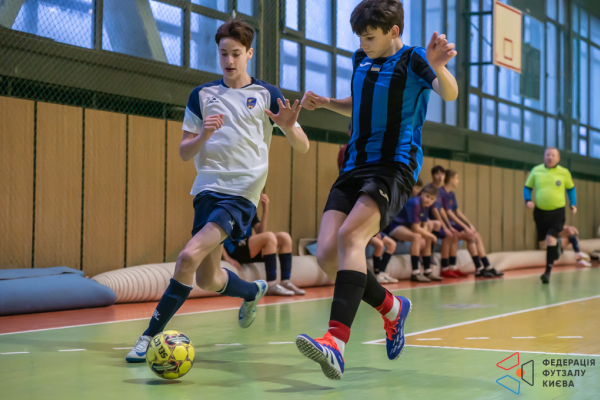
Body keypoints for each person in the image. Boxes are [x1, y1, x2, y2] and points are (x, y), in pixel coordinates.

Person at [126, 19, 309, 362]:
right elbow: (184, 152)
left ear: (249, 54)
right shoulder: (202, 95)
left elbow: (304, 146)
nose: (229, 60)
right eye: (223, 53)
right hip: (206, 191)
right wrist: (203, 136)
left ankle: (149, 336)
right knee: (208, 278)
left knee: (187, 257)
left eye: (236, 53)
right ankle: (251, 290)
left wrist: (288, 128)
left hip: (241, 193)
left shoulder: (268, 94)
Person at [295, 0, 458, 380]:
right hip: (354, 165)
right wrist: (327, 103)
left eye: (370, 37)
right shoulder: (361, 59)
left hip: (393, 167)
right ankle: (392, 308)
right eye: (360, 37)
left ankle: (336, 342)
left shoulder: (415, 59)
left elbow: (449, 93)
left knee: (351, 237)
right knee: (327, 256)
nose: (363, 44)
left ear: (393, 32)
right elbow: (361, 104)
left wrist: (439, 67)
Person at [222, 193, 305, 295]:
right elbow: (217, 234)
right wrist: (227, 258)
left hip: (247, 248)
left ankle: (285, 281)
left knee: (284, 237)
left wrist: (265, 209)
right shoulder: (229, 206)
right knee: (269, 237)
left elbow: (260, 232)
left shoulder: (249, 207)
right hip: (235, 249)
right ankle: (271, 285)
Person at [524, 148, 578, 284]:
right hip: (540, 212)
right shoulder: (536, 170)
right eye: (547, 155)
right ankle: (558, 247)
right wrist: (528, 200)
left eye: (553, 155)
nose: (550, 157)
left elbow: (571, 189)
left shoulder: (564, 172)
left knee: (550, 238)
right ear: (544, 157)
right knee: (543, 244)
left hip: (557, 212)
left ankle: (547, 272)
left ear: (558, 158)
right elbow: (527, 187)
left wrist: (573, 203)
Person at [441, 170, 503, 278]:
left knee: (476, 234)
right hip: (446, 225)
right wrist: (465, 227)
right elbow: (449, 213)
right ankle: (479, 268)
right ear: (451, 179)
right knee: (471, 236)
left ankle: (486, 266)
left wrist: (469, 225)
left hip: (453, 225)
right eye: (456, 178)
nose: (458, 181)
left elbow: (457, 212)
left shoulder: (451, 193)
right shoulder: (442, 192)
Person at [384, 184, 441, 282]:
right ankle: (415, 272)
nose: (429, 200)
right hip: (393, 226)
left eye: (432, 199)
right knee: (417, 236)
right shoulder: (415, 203)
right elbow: (415, 228)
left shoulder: (425, 206)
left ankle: (427, 270)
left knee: (426, 237)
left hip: (405, 228)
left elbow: (424, 224)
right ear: (422, 194)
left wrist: (428, 236)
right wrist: (432, 236)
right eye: (427, 196)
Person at [428, 165, 463, 277]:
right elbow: (434, 211)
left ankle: (452, 266)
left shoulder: (439, 191)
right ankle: (444, 268)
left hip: (438, 223)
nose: (440, 177)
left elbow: (441, 210)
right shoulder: (430, 189)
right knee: (448, 235)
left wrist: (449, 227)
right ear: (432, 175)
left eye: (442, 174)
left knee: (454, 234)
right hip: (429, 222)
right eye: (437, 174)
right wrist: (446, 228)